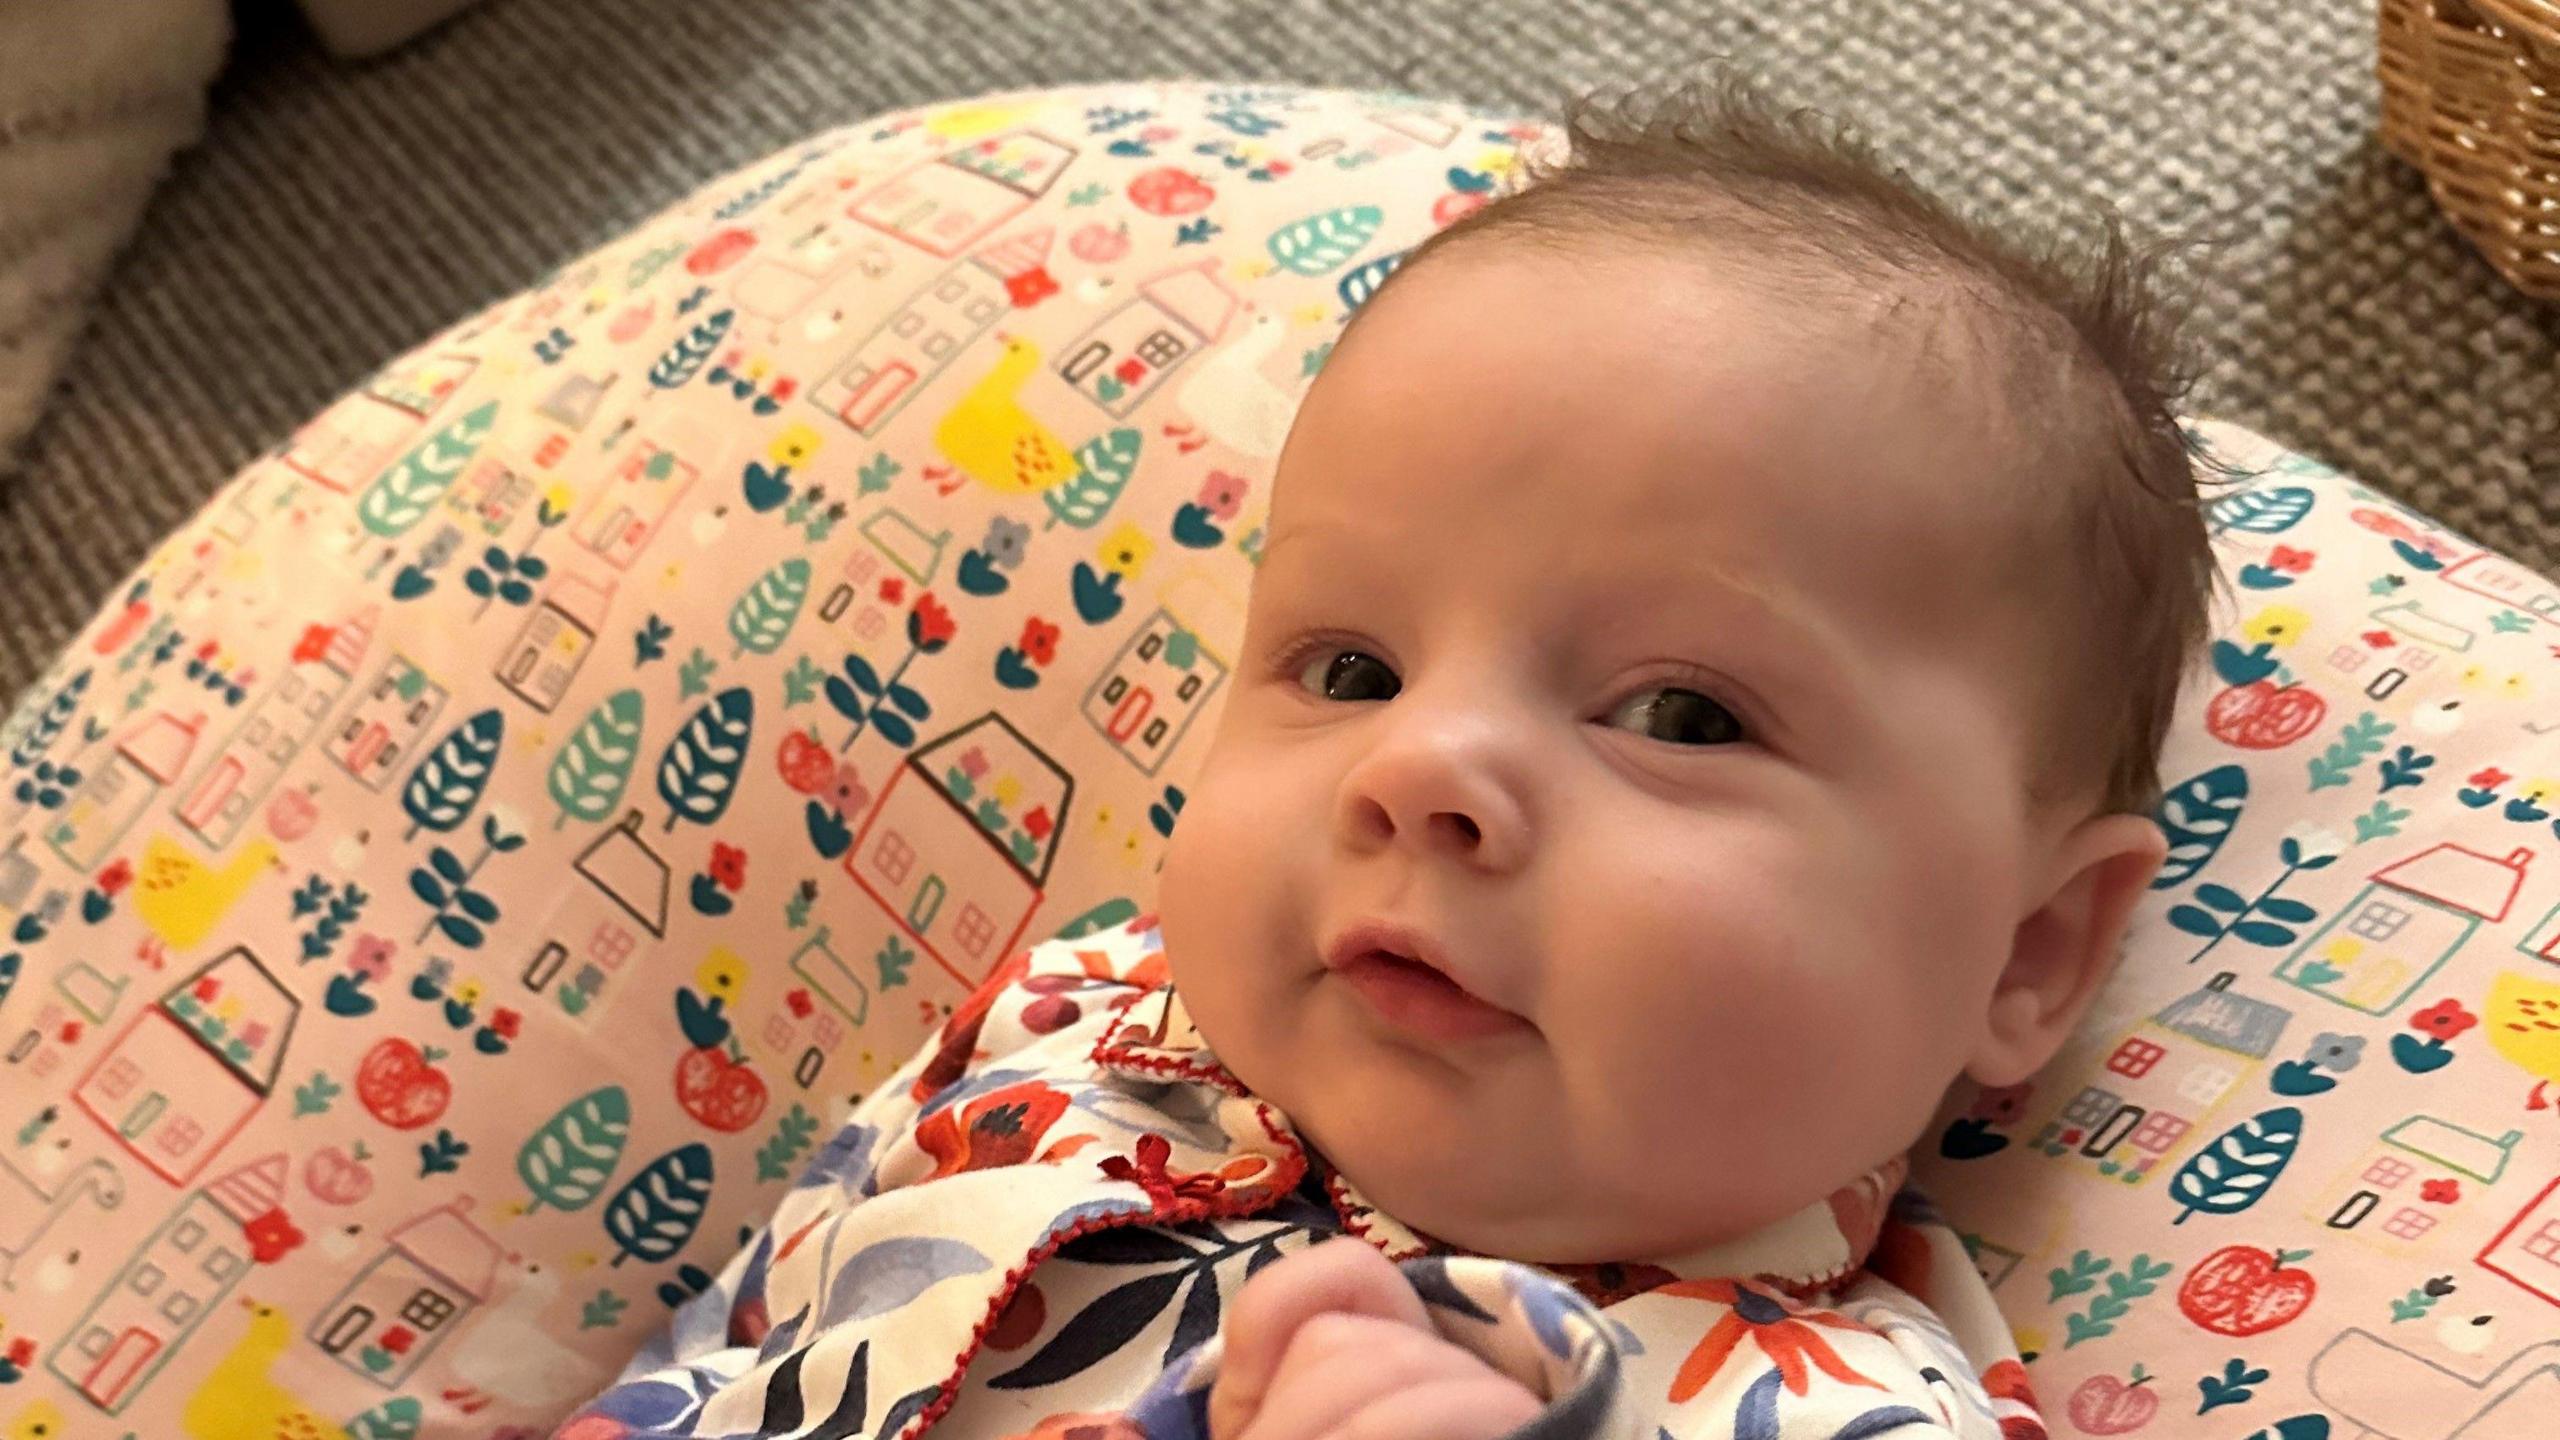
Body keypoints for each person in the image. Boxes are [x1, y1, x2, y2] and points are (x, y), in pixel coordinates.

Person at [551, 70, 2213, 1440]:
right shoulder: (1069, 1030)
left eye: (1681, 717)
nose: (1421, 768)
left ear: (2029, 946)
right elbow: (729, 1349)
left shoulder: (1826, 1409)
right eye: (1350, 667)